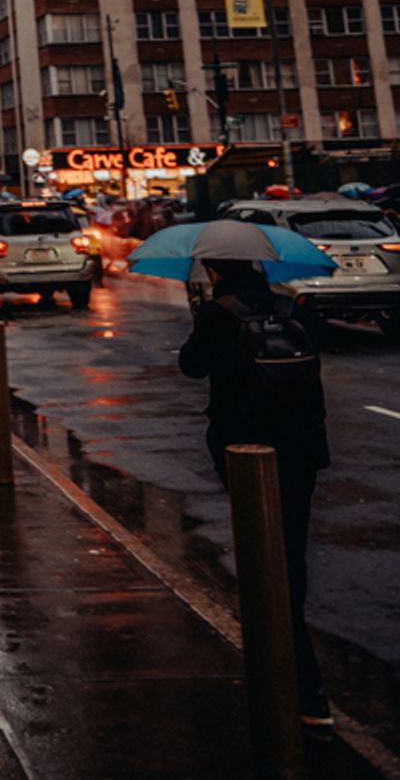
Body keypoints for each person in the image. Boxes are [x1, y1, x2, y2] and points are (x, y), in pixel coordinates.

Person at [179, 257, 332, 727]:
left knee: (263, 555)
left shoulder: (216, 314)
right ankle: (295, 660)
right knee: (290, 551)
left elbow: (191, 366)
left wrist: (202, 317)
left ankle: (298, 681)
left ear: (218, 272)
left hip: (246, 450)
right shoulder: (291, 309)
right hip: (303, 446)